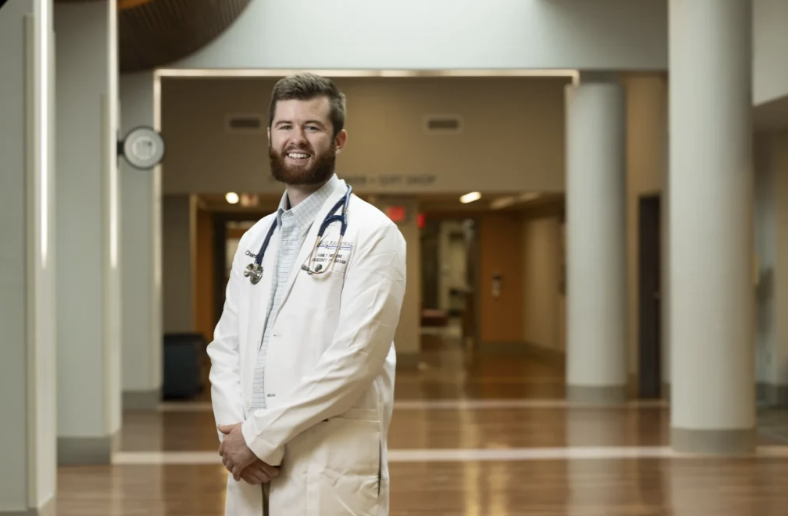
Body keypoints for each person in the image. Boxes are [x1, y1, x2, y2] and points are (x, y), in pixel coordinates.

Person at [207, 72, 407, 516]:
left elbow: (355, 359)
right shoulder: (256, 239)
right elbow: (226, 347)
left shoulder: (373, 233)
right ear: (270, 135)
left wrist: (260, 438)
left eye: (312, 127)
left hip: (326, 463)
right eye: (285, 126)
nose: (296, 139)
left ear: (338, 140)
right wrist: (236, 433)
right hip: (249, 462)